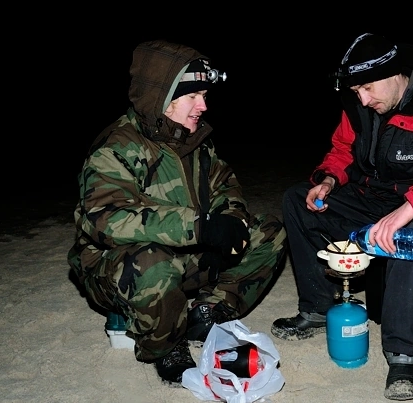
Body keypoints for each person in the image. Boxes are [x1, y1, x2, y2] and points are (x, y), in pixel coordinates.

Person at [271, 33, 413, 401]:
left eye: (367, 88)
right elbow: (343, 147)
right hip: (370, 198)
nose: (362, 98)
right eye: (355, 90)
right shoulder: (359, 102)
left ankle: (404, 356)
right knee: (298, 199)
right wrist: (329, 179)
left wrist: (411, 208)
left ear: (395, 73)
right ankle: (317, 309)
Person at [68, 39, 287, 386]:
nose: (203, 105)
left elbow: (225, 185)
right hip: (121, 266)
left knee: (269, 231)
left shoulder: (194, 140)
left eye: (204, 95)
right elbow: (104, 218)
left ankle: (208, 309)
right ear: (162, 97)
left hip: (185, 255)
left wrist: (227, 222)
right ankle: (166, 344)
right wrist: (200, 228)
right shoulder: (117, 147)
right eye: (193, 96)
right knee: (152, 262)